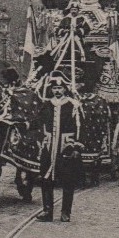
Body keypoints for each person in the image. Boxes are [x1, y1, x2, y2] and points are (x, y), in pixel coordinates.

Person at [35, 71, 83, 223]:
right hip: (49, 147)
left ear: (65, 89)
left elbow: (80, 127)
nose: (57, 91)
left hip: (65, 146)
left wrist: (76, 147)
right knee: (45, 179)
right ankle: (47, 211)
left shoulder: (73, 105)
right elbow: (38, 125)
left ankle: (65, 212)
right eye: (54, 88)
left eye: (60, 88)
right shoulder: (46, 105)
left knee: (68, 180)